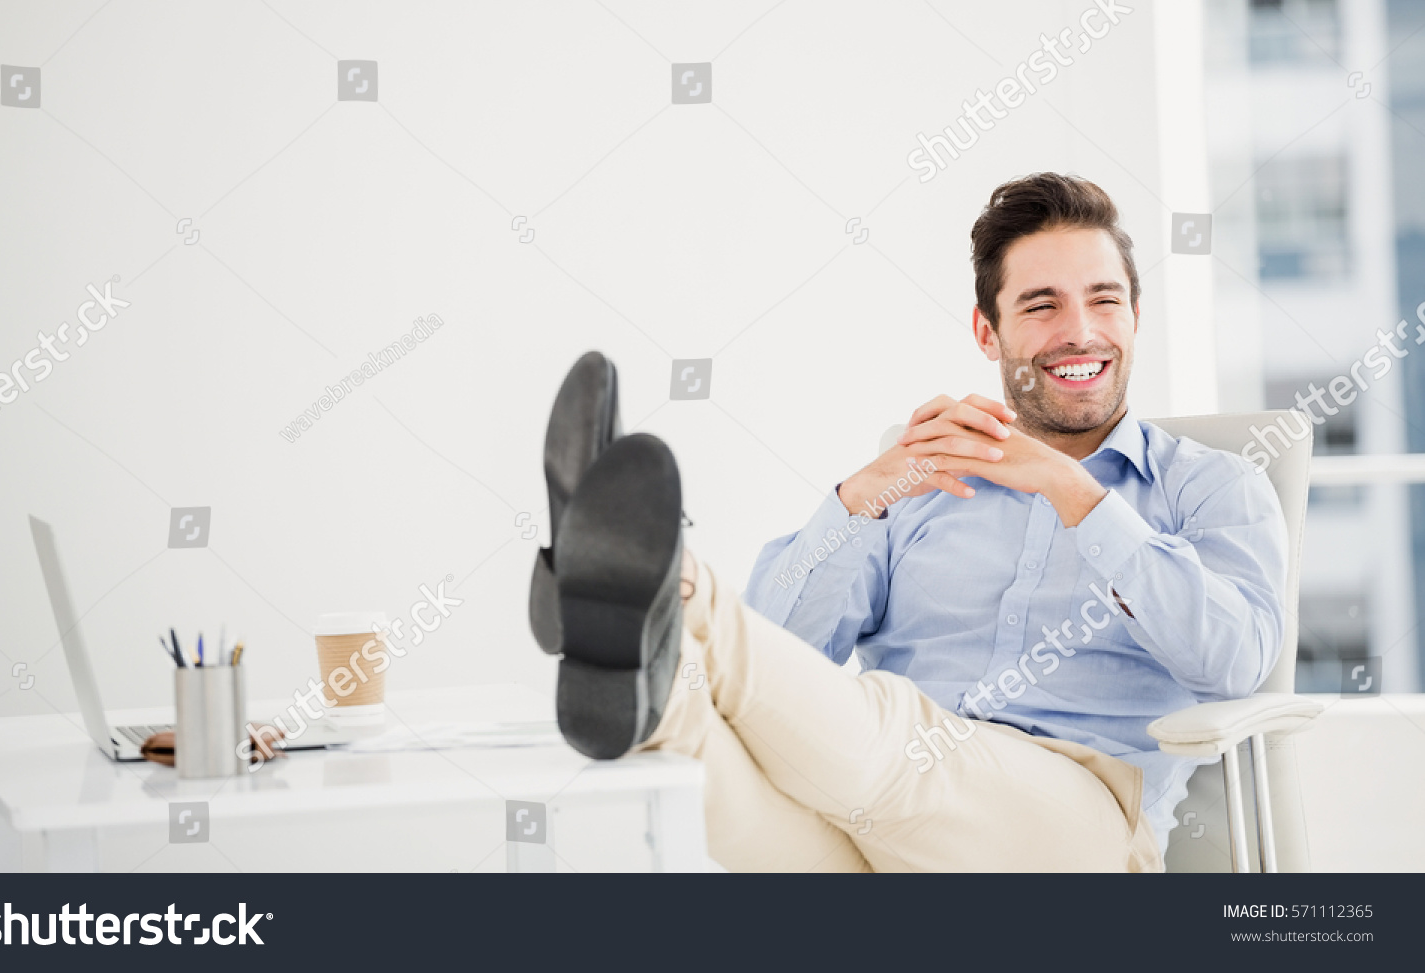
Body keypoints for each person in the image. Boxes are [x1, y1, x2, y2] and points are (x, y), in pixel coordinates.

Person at [532, 173, 1287, 872]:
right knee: (698, 743)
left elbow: (1233, 660)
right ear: (986, 332)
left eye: (1104, 298)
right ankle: (632, 641)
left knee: (901, 732)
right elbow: (782, 656)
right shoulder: (921, 480)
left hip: (1077, 830)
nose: (1080, 330)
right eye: (1040, 304)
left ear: (1135, 314)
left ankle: (663, 582)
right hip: (884, 828)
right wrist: (861, 496)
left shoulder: (1215, 484)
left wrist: (1074, 491)